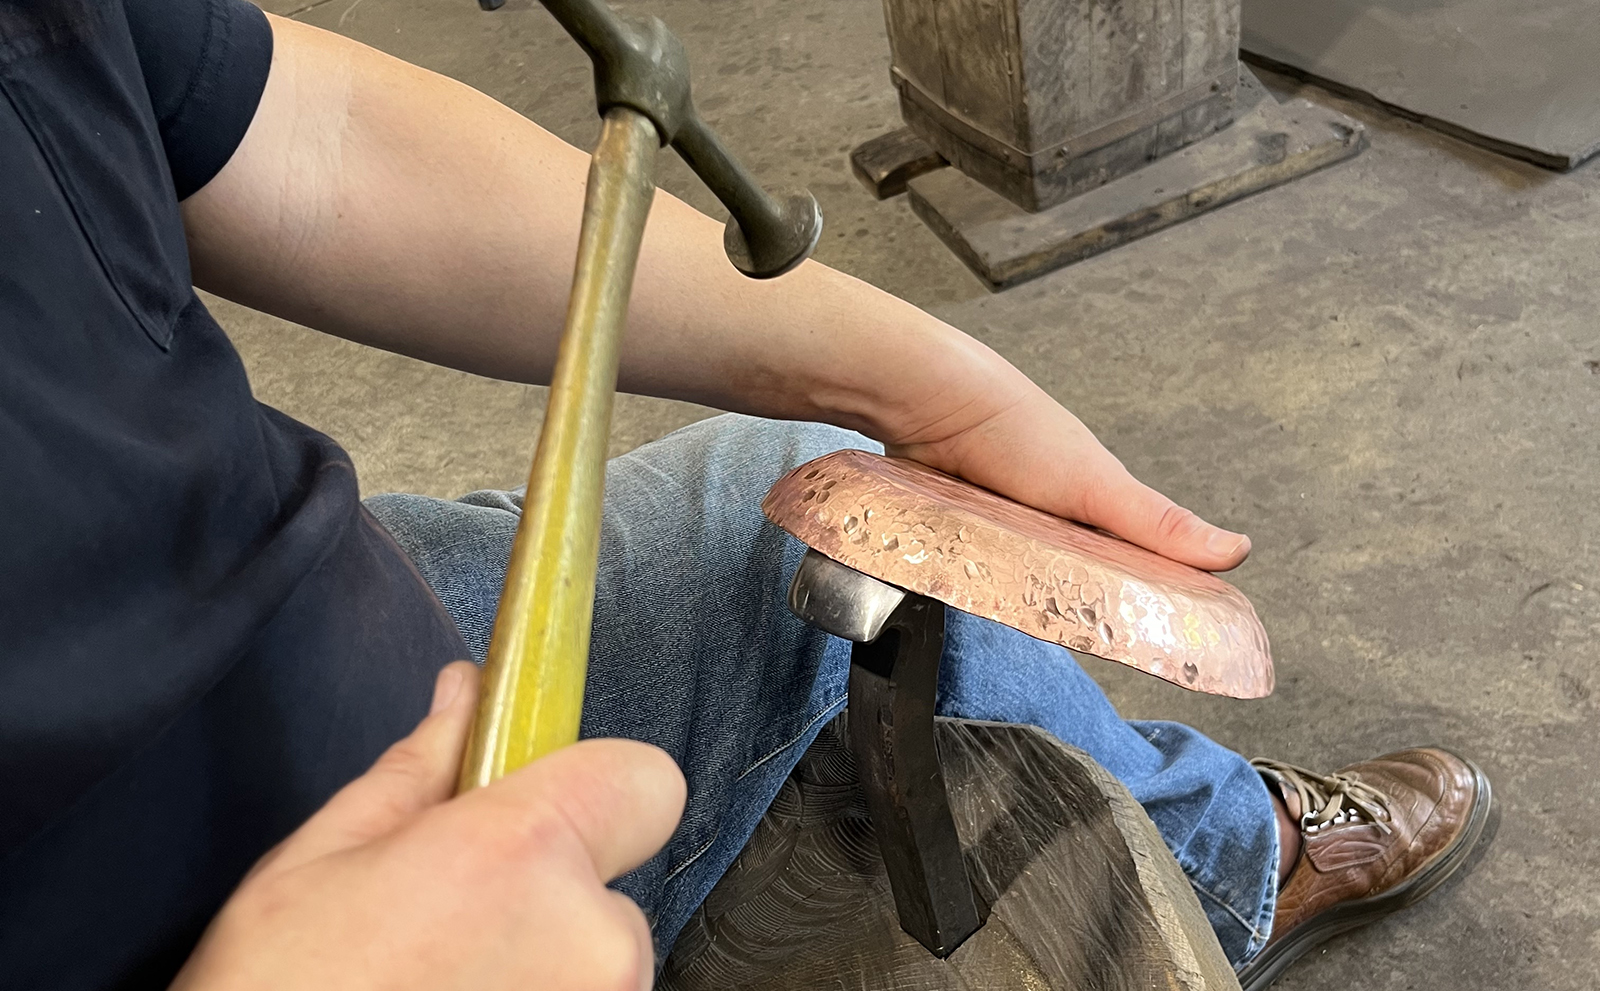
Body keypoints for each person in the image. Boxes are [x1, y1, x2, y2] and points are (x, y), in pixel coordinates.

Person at [0, 1, 1493, 989]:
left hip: (288, 627)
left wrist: (926, 382)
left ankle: (1218, 853)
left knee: (817, 497)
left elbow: (291, 135)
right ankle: (1233, 851)